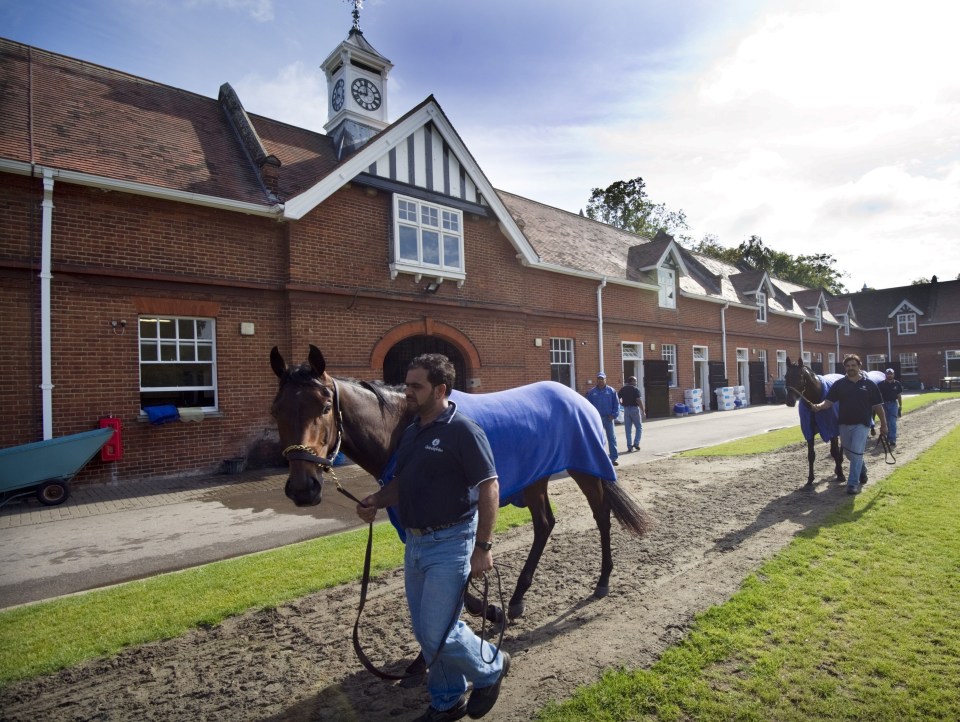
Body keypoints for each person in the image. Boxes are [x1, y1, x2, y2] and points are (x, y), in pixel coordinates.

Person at [356, 354, 509, 722]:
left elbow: (489, 486)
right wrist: (377, 499)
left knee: (437, 630)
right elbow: (403, 482)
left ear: (440, 389)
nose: (406, 391)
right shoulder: (412, 432)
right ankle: (447, 700)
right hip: (416, 543)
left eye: (415, 386)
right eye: (406, 384)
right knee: (426, 631)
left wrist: (483, 547)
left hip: (452, 541)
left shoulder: (463, 430)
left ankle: (490, 666)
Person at [811, 354, 887, 495]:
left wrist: (884, 424)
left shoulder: (869, 384)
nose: (850, 368)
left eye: (853, 365)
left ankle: (852, 483)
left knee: (857, 452)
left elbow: (878, 406)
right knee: (849, 454)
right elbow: (828, 402)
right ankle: (862, 469)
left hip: (862, 424)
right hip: (844, 424)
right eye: (848, 366)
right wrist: (818, 406)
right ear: (844, 367)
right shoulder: (839, 384)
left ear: (859, 366)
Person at [586, 371, 620, 465]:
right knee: (598, 439)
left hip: (609, 418)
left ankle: (614, 458)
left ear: (605, 379)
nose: (600, 380)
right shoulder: (592, 392)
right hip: (597, 419)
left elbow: (616, 404)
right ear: (596, 380)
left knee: (611, 438)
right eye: (599, 379)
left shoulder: (611, 391)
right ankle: (600, 459)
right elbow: (588, 406)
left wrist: (614, 415)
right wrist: (591, 418)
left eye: (602, 379)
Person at [617, 376, 646, 452]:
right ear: (632, 381)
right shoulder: (635, 389)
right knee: (639, 427)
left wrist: (621, 404)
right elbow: (638, 400)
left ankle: (629, 446)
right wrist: (643, 410)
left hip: (626, 409)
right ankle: (636, 443)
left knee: (628, 429)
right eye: (635, 381)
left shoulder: (623, 389)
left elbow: (617, 397)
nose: (636, 382)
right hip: (634, 409)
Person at [877, 368, 903, 447]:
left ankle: (892, 439)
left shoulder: (897, 384)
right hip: (884, 404)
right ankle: (887, 437)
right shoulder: (881, 384)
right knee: (886, 421)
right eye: (888, 374)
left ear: (893, 374)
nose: (889, 375)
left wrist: (900, 405)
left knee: (892, 422)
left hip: (893, 404)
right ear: (886, 375)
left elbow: (899, 395)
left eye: (891, 374)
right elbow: (879, 396)